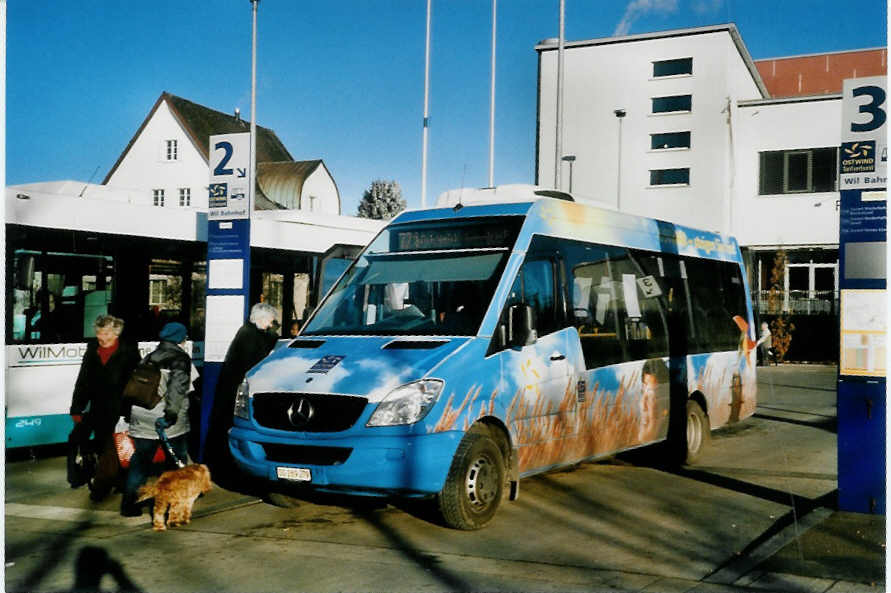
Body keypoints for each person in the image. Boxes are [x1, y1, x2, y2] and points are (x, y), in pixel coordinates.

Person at [121, 321, 195, 516]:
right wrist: (171, 415)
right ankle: (172, 508)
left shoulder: (149, 357)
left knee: (140, 463)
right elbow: (177, 391)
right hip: (165, 419)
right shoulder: (180, 359)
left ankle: (130, 505)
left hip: (141, 414)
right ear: (180, 338)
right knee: (175, 465)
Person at [205, 302, 279, 484]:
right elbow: (254, 362)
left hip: (233, 389)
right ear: (261, 319)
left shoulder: (248, 333)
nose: (271, 324)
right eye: (270, 321)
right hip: (237, 391)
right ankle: (225, 469)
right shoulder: (249, 336)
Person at [70, 315, 140, 502]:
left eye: (106, 333)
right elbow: (83, 381)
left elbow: (135, 383)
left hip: (121, 408)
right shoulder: (92, 350)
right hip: (98, 407)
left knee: (116, 447)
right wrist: (76, 408)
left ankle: (102, 486)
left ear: (116, 333)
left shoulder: (129, 351)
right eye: (99, 332)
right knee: (103, 446)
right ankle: (117, 480)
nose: (102, 337)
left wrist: (129, 410)